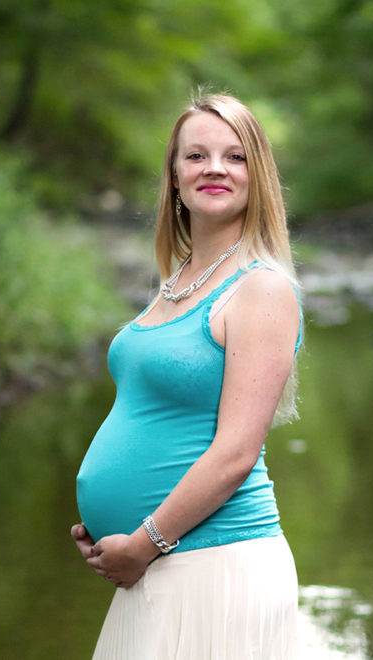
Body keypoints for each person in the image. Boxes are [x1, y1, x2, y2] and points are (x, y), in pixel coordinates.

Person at [72, 92, 303, 658]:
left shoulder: (261, 287)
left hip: (216, 564)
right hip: (160, 563)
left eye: (235, 156)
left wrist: (143, 542)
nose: (215, 168)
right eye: (196, 156)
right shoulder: (180, 279)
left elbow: (235, 452)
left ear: (258, 175)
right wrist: (111, 530)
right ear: (174, 178)